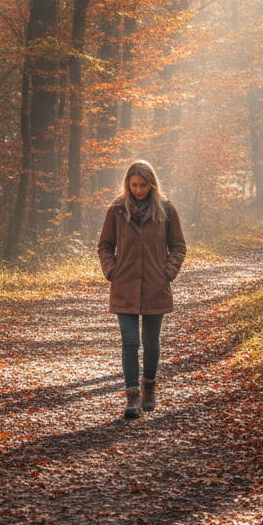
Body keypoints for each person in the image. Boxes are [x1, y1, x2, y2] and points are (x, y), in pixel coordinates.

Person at [97, 160, 187, 419]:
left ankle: (149, 388)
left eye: (143, 185)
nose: (138, 190)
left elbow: (178, 245)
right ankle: (132, 399)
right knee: (130, 342)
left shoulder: (166, 209)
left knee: (150, 343)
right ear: (127, 183)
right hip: (123, 286)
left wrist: (167, 272)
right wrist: (111, 271)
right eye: (133, 185)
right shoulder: (116, 210)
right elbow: (104, 245)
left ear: (152, 184)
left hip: (155, 286)